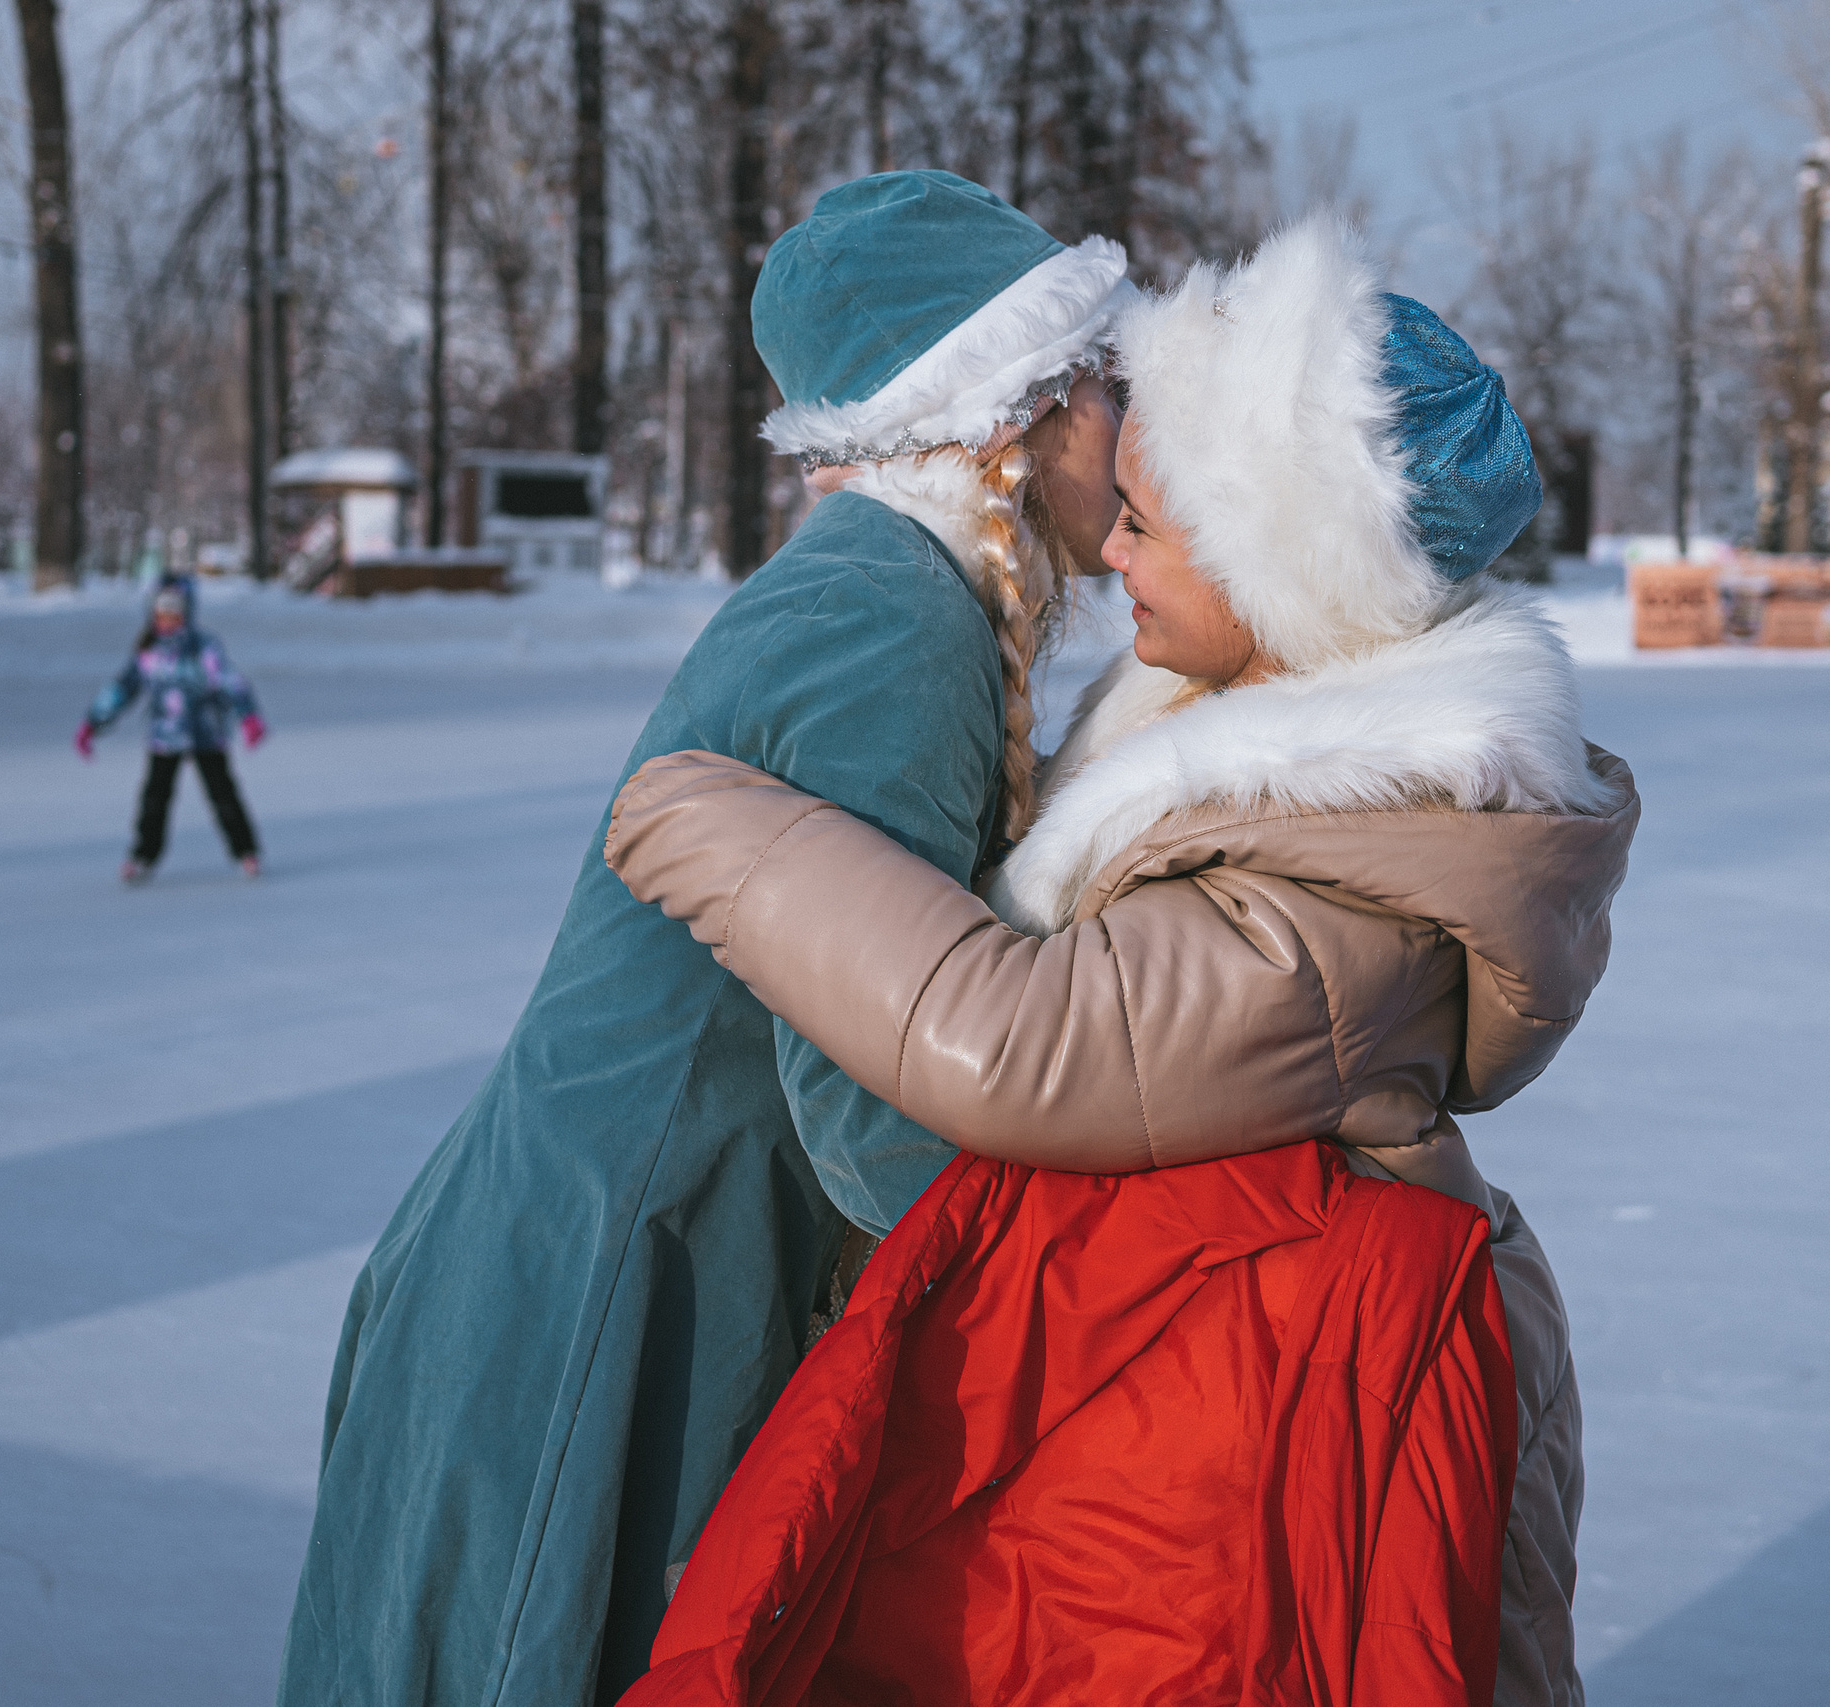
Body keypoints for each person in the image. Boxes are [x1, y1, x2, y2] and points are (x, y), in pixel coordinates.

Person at [605, 218, 1639, 1707]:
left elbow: (1033, 1043)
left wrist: (709, 818)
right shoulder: (1232, 748)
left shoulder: (1353, 874)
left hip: (1276, 1436)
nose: (1113, 545)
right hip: (1202, 1412)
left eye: (1152, 520)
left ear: (1278, 568)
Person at [275, 172, 1136, 1707]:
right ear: (1019, 404)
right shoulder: (894, 614)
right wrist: (1106, 1289)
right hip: (611, 1289)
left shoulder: (901, 585)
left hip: (635, 1242)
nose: (1133, 434)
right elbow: (865, 1083)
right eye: (1109, 383)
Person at [75, 574, 264, 882]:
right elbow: (121, 690)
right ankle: (143, 855)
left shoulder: (204, 649)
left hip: (206, 733)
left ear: (188, 611)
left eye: (175, 611)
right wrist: (93, 722)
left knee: (223, 795)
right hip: (165, 735)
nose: (167, 619)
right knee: (155, 797)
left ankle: (245, 851)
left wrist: (249, 715)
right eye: (161, 612)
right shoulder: (148, 653)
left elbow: (231, 682)